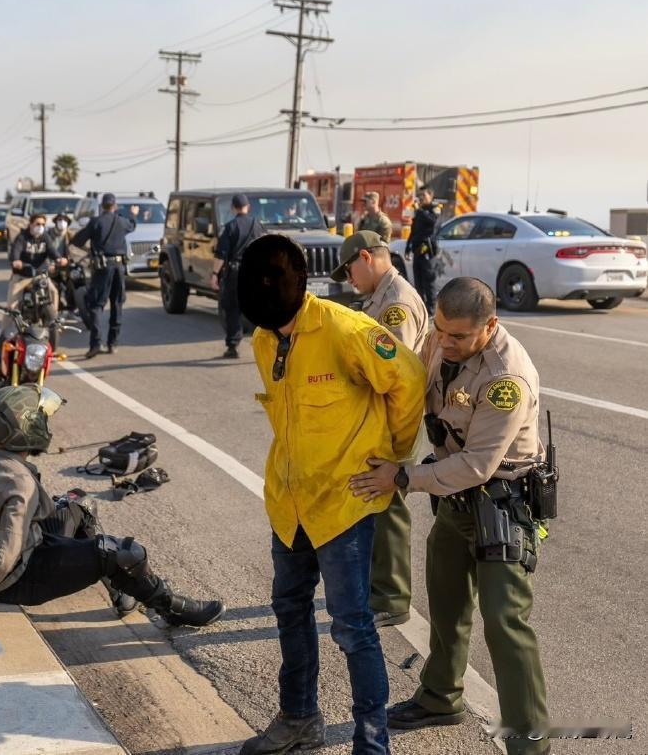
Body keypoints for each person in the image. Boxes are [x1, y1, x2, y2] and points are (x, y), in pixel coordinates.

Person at [236, 234, 426, 755]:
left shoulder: (348, 330)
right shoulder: (262, 339)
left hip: (343, 503)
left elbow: (408, 380)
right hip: (289, 503)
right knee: (289, 609)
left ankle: (371, 742)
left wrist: (396, 457)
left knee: (352, 628)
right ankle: (299, 718)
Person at [349, 277, 552, 755]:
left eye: (459, 335)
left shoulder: (506, 378)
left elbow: (479, 464)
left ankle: (530, 741)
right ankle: (440, 697)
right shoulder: (442, 343)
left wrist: (401, 478)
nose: (445, 342)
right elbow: (414, 385)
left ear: (490, 326)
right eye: (440, 330)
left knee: (505, 621)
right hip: (455, 503)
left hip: (501, 504)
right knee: (445, 604)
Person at [0, 384, 226, 630]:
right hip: (18, 578)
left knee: (78, 504)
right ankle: (171, 607)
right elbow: (6, 555)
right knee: (124, 553)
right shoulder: (19, 483)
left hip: (10, 554)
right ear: (27, 426)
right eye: (43, 418)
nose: (46, 423)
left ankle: (122, 590)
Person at [331, 230, 428, 629]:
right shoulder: (380, 297)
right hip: (384, 417)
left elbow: (394, 372)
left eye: (350, 269)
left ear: (367, 258)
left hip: (396, 418)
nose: (349, 278)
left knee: (389, 503)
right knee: (376, 499)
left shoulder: (396, 305)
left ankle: (392, 597)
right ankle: (380, 589)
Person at [71, 192, 138, 359]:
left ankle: (96, 343)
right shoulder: (122, 221)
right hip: (119, 267)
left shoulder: (96, 222)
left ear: (102, 206)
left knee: (95, 304)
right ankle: (113, 343)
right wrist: (133, 214)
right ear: (114, 206)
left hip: (102, 267)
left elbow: (77, 241)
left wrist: (92, 247)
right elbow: (132, 225)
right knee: (117, 303)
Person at [210, 193, 265, 359]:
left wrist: (214, 274)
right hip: (254, 273)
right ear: (248, 207)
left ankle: (233, 346)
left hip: (235, 274)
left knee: (232, 308)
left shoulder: (230, 226)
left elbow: (221, 254)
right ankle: (266, 343)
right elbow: (266, 247)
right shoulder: (257, 225)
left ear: (233, 208)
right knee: (257, 309)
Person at [4, 212, 67, 336]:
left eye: (43, 224)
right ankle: (4, 335)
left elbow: (52, 251)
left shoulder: (45, 237)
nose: (40, 226)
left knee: (54, 291)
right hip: (23, 276)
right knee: (11, 305)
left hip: (40, 275)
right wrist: (16, 261)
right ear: (30, 224)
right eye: (37, 224)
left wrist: (59, 259)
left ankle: (54, 323)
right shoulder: (22, 237)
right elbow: (15, 251)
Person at [405, 186, 440, 316]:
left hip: (427, 250)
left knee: (429, 281)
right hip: (417, 250)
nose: (421, 199)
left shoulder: (434, 209)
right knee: (418, 281)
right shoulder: (419, 211)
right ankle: (421, 309)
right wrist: (408, 247)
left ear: (431, 196)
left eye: (423, 196)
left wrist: (419, 211)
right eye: (419, 196)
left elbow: (433, 222)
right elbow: (413, 231)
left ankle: (431, 310)